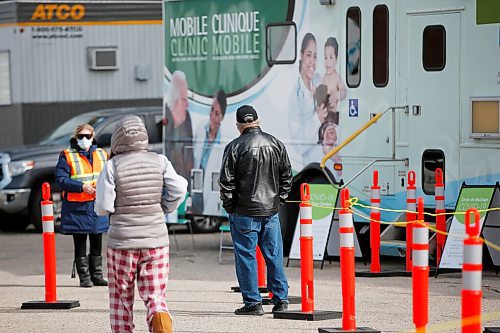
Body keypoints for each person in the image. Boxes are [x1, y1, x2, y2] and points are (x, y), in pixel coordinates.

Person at [95, 115, 188, 333]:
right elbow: (180, 189)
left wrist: (112, 211)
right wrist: (165, 207)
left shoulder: (112, 166)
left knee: (121, 298)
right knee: (155, 296)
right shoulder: (160, 161)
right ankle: (162, 327)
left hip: (121, 242)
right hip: (156, 239)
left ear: (118, 138)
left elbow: (103, 205)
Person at [219, 105, 293, 315]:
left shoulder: (234, 147)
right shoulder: (275, 143)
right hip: (270, 211)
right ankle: (281, 299)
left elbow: (226, 183)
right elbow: (287, 176)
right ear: (258, 121)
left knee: (246, 256)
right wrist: (279, 201)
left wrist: (230, 208)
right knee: (274, 255)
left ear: (238, 126)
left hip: (243, 212)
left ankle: (253, 303)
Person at [54, 123, 109, 288]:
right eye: (81, 136)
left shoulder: (102, 154)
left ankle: (97, 275)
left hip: (96, 205)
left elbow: (109, 175)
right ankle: (84, 277)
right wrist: (81, 187)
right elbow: (61, 179)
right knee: (80, 242)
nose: (84, 139)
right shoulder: (67, 155)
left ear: (93, 137)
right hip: (77, 207)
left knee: (97, 240)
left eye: (87, 136)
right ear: (75, 138)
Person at [289, 32, 327, 166]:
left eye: (315, 56)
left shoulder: (318, 80)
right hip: (312, 166)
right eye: (308, 55)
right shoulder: (295, 97)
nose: (312, 61)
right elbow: (298, 145)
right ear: (301, 56)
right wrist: (317, 119)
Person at [164, 70, 194, 185]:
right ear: (175, 100)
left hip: (185, 181)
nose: (187, 105)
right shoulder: (164, 118)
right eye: (184, 99)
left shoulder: (187, 118)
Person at [320, 37, 347, 117]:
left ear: (336, 59)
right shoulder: (324, 77)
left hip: (332, 115)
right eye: (325, 57)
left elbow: (344, 92)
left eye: (331, 57)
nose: (328, 61)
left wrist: (336, 95)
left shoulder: (336, 78)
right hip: (324, 115)